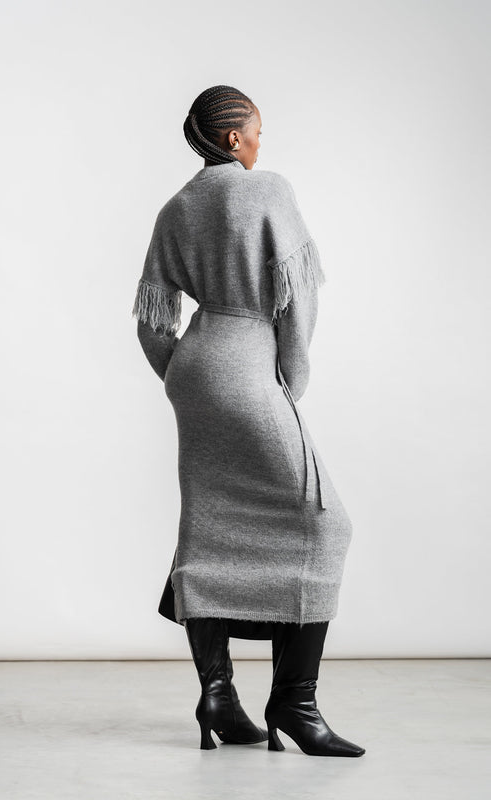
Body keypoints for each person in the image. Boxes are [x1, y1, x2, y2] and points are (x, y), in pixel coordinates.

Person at [131, 85, 365, 757]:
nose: (262, 142)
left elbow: (153, 317)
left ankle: (219, 699)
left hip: (197, 369)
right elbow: (297, 298)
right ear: (234, 137)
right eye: (257, 131)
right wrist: (289, 378)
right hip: (248, 366)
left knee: (206, 528)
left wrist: (183, 375)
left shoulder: (176, 207)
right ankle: (295, 703)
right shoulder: (266, 190)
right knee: (325, 523)